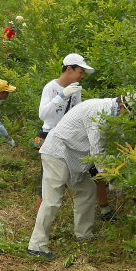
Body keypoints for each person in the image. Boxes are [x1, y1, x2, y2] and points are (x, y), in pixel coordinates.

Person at [27, 93, 136, 258]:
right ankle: (36, 245)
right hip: (57, 152)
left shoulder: (113, 113)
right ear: (123, 107)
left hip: (75, 157)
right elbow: (97, 151)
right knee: (52, 199)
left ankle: (84, 235)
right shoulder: (99, 112)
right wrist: (111, 178)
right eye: (129, 115)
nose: (129, 119)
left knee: (87, 190)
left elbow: (116, 145)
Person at [36, 54, 103, 210]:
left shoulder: (76, 90)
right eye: (80, 72)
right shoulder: (51, 87)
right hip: (49, 136)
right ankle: (39, 221)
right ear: (69, 69)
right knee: (47, 179)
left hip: (69, 137)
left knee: (86, 171)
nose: (82, 76)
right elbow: (43, 115)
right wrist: (61, 96)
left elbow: (78, 112)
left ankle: (103, 206)